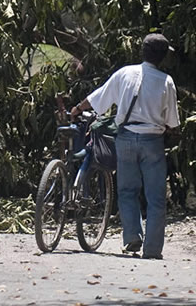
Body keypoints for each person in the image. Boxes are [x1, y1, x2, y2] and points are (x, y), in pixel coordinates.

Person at [70, 32, 180, 259]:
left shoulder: (125, 73)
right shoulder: (166, 81)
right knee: (155, 196)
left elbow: (98, 97)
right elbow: (173, 123)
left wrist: (77, 109)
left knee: (127, 191)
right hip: (153, 142)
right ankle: (152, 250)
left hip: (126, 139)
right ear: (162, 57)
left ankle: (132, 237)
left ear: (143, 52)